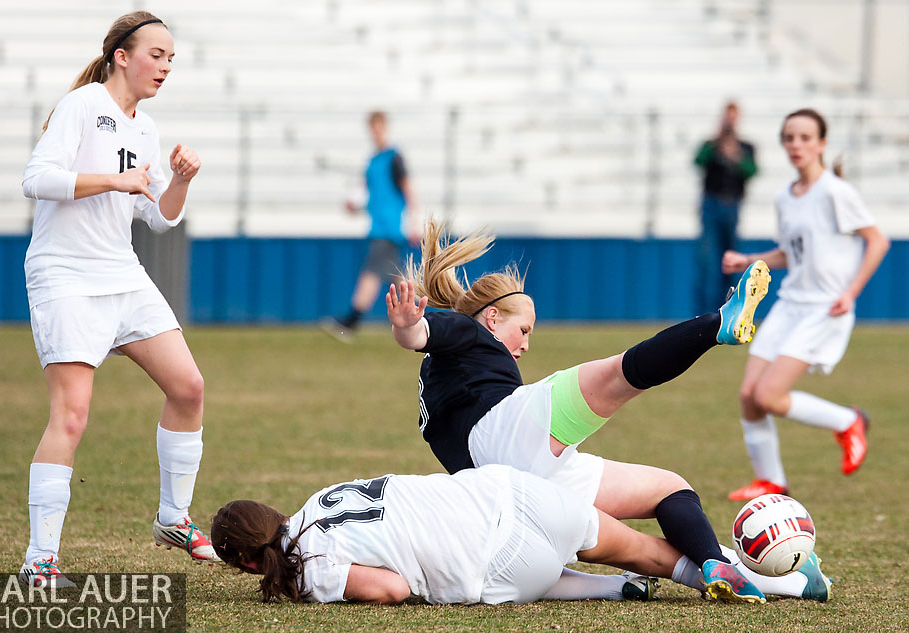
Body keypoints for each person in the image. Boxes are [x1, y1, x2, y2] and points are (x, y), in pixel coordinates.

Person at [384, 220, 832, 603]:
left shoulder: (448, 367)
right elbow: (421, 332)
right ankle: (720, 324)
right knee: (620, 375)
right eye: (523, 329)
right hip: (503, 433)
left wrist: (414, 330)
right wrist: (407, 325)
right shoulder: (463, 331)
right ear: (491, 318)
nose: (525, 344)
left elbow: (426, 341)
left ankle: (764, 577)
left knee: (665, 492)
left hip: (506, 492)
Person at [19, 11, 220, 587]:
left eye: (171, 59)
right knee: (72, 415)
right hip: (65, 276)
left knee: (189, 386)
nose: (165, 66)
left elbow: (158, 218)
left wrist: (179, 179)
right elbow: (36, 178)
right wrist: (110, 179)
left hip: (121, 274)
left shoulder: (146, 129)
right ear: (122, 57)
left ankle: (172, 518)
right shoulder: (81, 106)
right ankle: (40, 560)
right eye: (156, 55)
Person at [211, 464, 823, 605]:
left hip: (502, 560)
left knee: (518, 577)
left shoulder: (309, 569)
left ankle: (608, 592)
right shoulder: (322, 498)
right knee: (656, 553)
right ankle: (790, 580)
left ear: (246, 564)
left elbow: (392, 591)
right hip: (510, 492)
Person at [721, 108, 890, 501]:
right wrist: (749, 261)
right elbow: (790, 254)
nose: (796, 145)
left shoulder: (836, 191)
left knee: (769, 396)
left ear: (821, 144)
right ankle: (772, 481)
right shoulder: (785, 196)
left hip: (823, 307)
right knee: (749, 396)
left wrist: (850, 292)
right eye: (789, 138)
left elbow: (878, 241)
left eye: (804, 137)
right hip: (789, 303)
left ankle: (849, 421)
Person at [322, 111, 421, 341]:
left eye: (378, 127)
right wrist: (354, 207)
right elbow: (371, 197)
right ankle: (423, 316)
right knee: (398, 277)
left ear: (385, 127)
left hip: (388, 228)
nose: (375, 131)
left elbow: (407, 189)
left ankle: (351, 322)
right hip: (379, 226)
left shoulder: (394, 157)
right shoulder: (372, 162)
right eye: (372, 127)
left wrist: (414, 221)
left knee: (371, 274)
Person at [694, 101, 758, 314]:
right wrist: (718, 144)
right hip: (711, 205)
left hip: (732, 205)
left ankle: (728, 309)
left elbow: (752, 171)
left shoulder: (745, 147)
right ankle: (704, 312)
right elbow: (698, 161)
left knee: (730, 261)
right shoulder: (711, 144)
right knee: (707, 261)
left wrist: (736, 156)